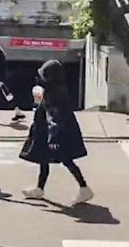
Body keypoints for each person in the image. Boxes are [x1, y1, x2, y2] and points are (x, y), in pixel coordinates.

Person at [19, 60, 93, 205]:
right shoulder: (53, 90)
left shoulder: (55, 94)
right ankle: (39, 188)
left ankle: (84, 188)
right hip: (49, 132)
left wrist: (53, 138)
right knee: (43, 159)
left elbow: (55, 117)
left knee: (66, 160)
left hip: (57, 135)